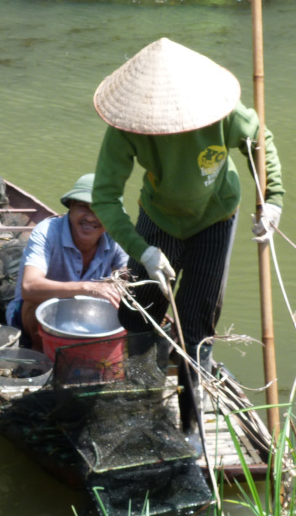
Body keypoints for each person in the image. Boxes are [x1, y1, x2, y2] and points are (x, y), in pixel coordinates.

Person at [89, 37, 285, 440]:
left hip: (215, 217)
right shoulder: (129, 128)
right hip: (159, 218)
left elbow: (260, 144)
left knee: (197, 328)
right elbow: (105, 198)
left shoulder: (222, 115)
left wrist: (273, 200)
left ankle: (190, 427)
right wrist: (143, 251)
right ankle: (141, 406)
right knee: (139, 314)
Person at [6, 173, 129, 351]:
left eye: (101, 209)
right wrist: (89, 288)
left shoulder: (113, 236)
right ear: (71, 206)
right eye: (83, 207)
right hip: (34, 317)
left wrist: (123, 282)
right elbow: (29, 287)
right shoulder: (47, 231)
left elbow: (129, 274)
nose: (91, 217)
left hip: (88, 316)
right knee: (37, 304)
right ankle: (40, 355)